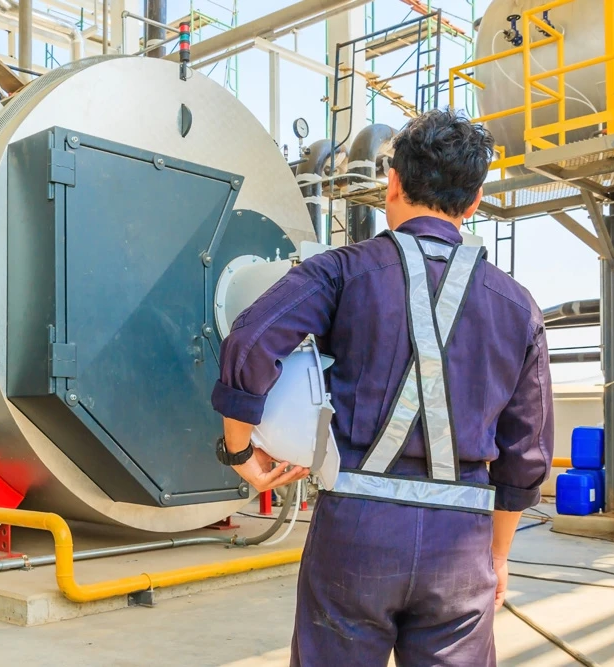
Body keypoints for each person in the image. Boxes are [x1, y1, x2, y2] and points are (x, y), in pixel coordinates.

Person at [210, 109, 554, 666]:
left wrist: (239, 448)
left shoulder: (341, 270)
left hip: (356, 532)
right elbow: (526, 452)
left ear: (392, 182)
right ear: (474, 201)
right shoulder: (518, 307)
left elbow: (250, 341)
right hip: (461, 543)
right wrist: (497, 554)